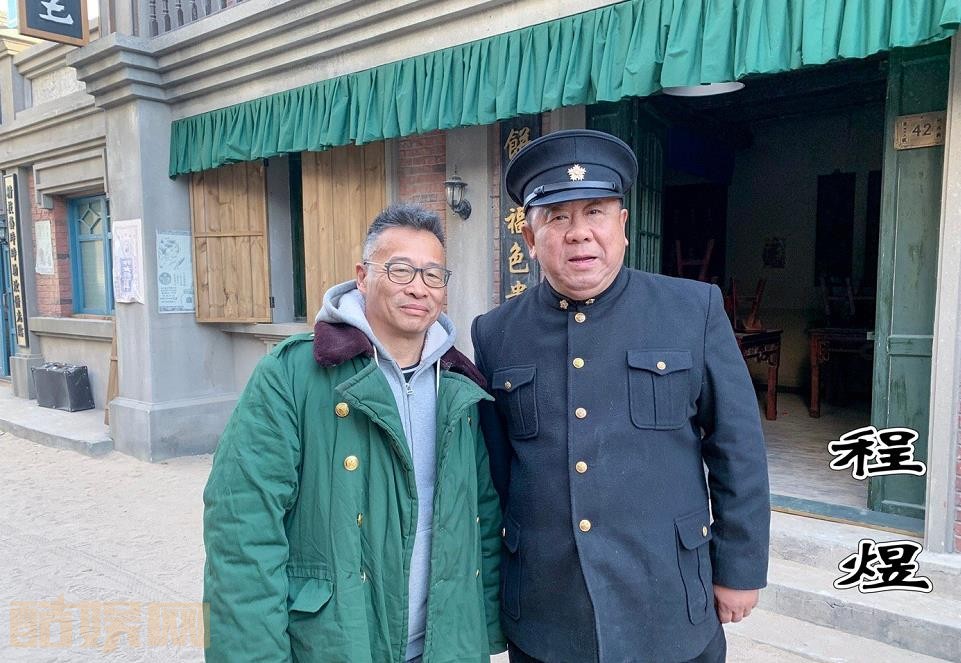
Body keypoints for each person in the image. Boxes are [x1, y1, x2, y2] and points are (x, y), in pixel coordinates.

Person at [471, 130, 770, 663]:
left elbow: (737, 448)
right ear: (530, 238)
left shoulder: (692, 310)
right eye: (557, 217)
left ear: (623, 226)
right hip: (546, 606)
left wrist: (739, 569)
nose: (579, 233)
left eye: (595, 212)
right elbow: (496, 473)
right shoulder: (495, 333)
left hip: (669, 598)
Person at [204, 203, 506, 663]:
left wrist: (481, 633)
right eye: (400, 270)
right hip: (336, 642)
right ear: (362, 277)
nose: (418, 287)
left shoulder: (460, 387)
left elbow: (481, 516)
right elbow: (242, 531)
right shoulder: (293, 375)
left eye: (433, 275)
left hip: (443, 646)